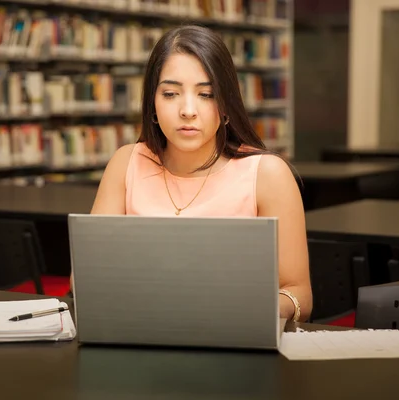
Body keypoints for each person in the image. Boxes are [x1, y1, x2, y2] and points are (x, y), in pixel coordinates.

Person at [89, 25, 312, 322]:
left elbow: (298, 293)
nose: (188, 110)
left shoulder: (268, 174)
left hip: (234, 339)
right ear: (152, 106)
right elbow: (85, 278)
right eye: (170, 93)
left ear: (226, 107)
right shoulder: (126, 162)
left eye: (206, 94)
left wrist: (264, 309)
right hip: (140, 333)